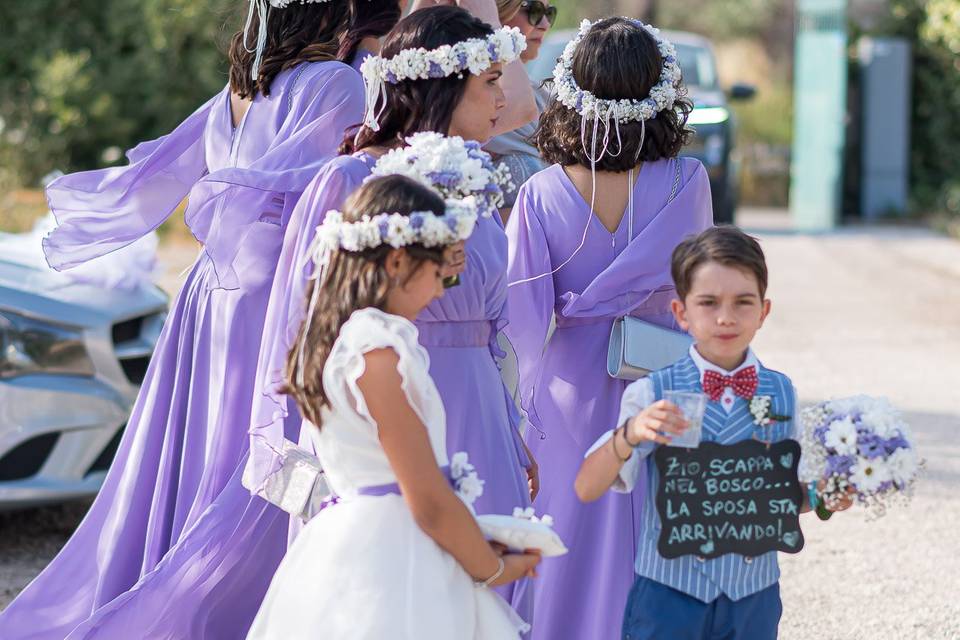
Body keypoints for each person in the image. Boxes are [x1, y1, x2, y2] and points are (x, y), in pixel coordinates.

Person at [0, 2, 380, 638]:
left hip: (209, 287)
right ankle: (220, 605)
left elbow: (169, 174)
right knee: (257, 455)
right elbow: (324, 186)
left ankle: (170, 582)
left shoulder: (235, 90)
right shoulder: (335, 83)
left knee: (204, 445)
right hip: (270, 292)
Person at [246, 4, 538, 627]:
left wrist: (513, 427)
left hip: (480, 410)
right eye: (489, 83)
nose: (503, 101)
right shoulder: (354, 178)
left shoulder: (480, 182)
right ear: (442, 83)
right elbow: (309, 317)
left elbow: (496, 331)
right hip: (390, 403)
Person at [503, 17, 713, 640]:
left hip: (569, 390)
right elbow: (700, 293)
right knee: (658, 532)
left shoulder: (541, 192)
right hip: (666, 379)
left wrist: (515, 415)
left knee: (568, 527)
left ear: (574, 88)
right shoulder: (688, 181)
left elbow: (520, 323)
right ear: (660, 89)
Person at [575, 226, 851, 639]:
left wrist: (824, 497)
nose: (726, 317)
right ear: (681, 312)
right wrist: (628, 434)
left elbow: (777, 497)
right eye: (708, 302)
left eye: (743, 302)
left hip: (752, 596)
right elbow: (585, 487)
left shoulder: (781, 392)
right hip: (669, 596)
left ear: (764, 311)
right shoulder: (652, 392)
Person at [485, 0, 557, 222]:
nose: (545, 24)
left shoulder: (544, 95)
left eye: (549, 13)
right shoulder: (471, 103)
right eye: (534, 11)